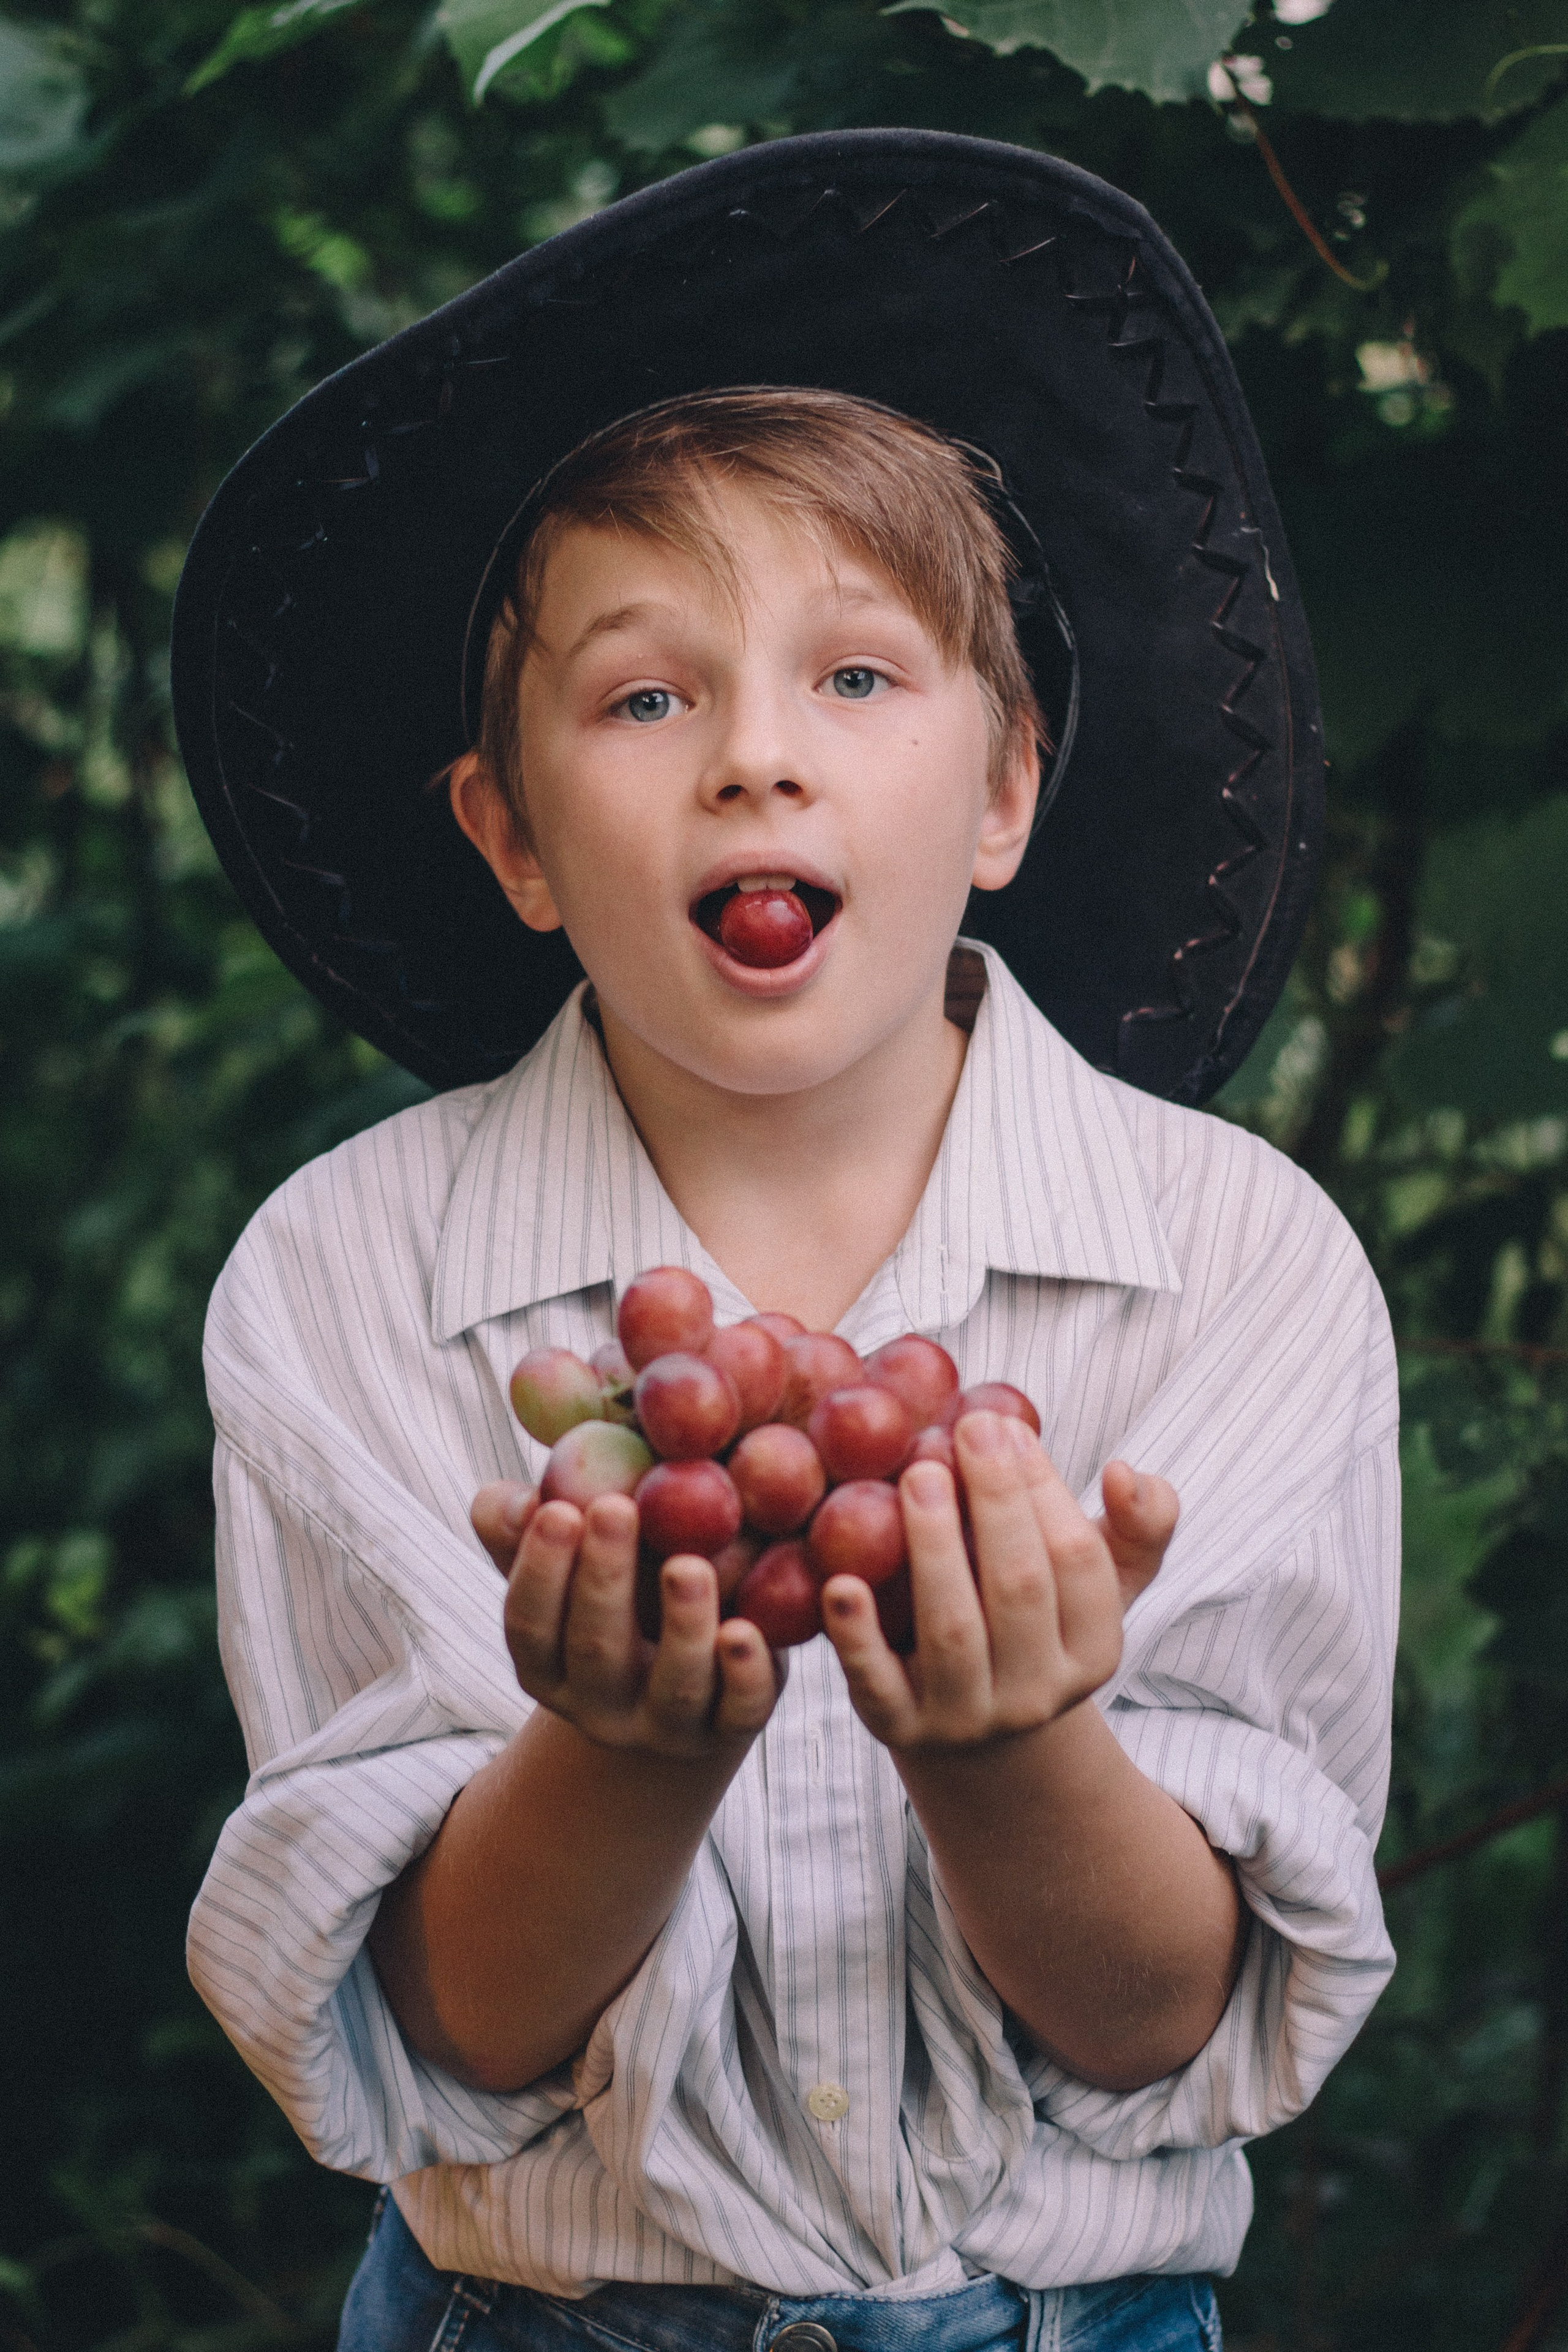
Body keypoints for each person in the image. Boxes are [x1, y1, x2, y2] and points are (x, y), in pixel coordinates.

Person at [173, 133, 1399, 2352]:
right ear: (514, 834)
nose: (756, 757)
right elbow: (445, 2034)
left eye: (857, 676)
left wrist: (1013, 1749)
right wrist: (620, 1753)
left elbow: (1167, 2029)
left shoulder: (1244, 1270)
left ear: (1008, 787)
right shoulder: (342, 1282)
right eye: (646, 697)